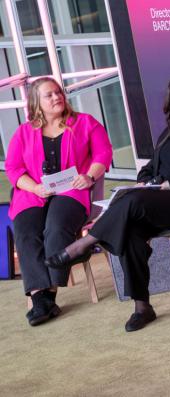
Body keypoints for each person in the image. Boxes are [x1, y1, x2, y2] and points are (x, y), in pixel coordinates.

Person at [45, 76, 170, 332]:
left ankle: (84, 244)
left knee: (131, 202)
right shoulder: (169, 134)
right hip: (157, 200)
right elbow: (149, 168)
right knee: (130, 229)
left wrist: (169, 184)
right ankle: (142, 306)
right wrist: (147, 182)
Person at [5, 77, 113, 326]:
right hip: (34, 192)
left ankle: (48, 293)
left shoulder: (85, 123)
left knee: (55, 226)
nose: (56, 98)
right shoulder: (24, 131)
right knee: (26, 231)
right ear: (36, 103)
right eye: (49, 95)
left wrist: (89, 176)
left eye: (58, 93)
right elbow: (13, 168)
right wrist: (35, 188)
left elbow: (103, 153)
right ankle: (39, 295)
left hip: (72, 190)